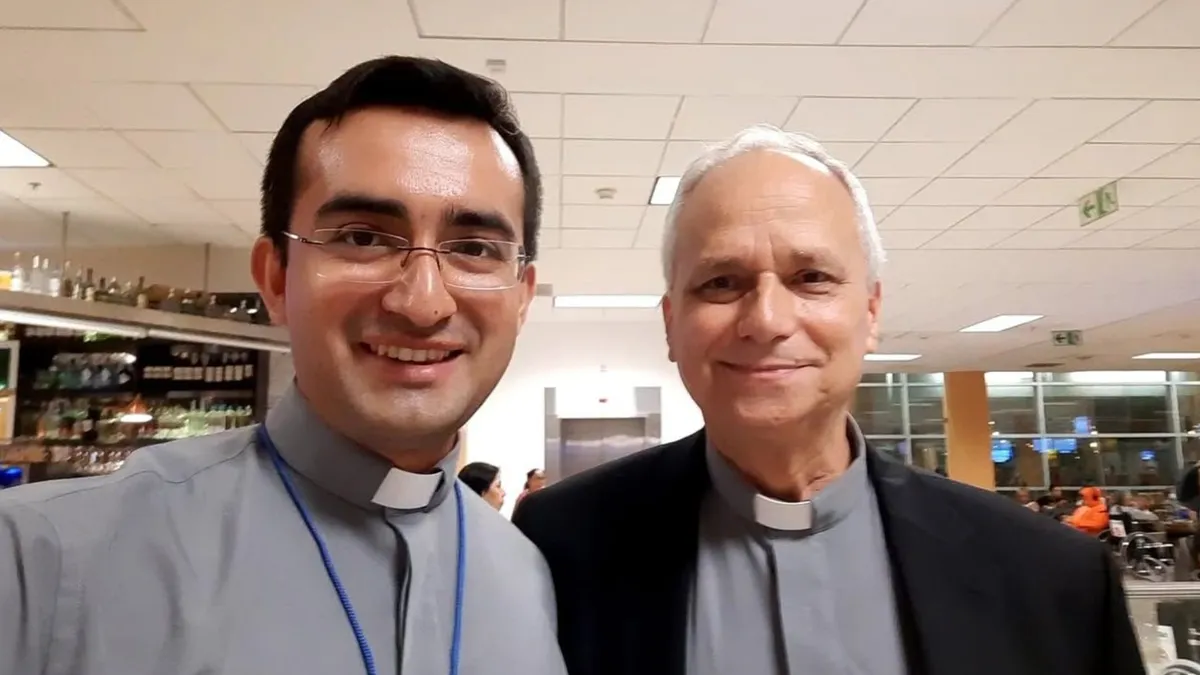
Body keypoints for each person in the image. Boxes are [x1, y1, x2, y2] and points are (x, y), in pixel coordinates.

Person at [0, 56, 567, 675]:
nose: (423, 302)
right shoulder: (41, 563)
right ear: (275, 278)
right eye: (362, 238)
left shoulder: (528, 577)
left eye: (475, 248)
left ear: (521, 298)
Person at [513, 125, 1144, 675]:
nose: (766, 320)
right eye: (721, 282)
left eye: (811, 278)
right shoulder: (558, 549)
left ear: (870, 312)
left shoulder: (1051, 576)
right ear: (672, 324)